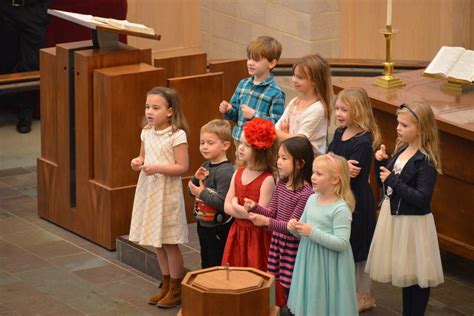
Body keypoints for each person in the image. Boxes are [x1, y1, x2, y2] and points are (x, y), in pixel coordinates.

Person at [366, 101, 444, 316]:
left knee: (418, 275)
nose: (398, 128)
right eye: (398, 123)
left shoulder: (425, 161)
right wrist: (379, 163)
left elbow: (422, 198)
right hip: (396, 218)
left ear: (420, 129)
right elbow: (385, 185)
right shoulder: (401, 150)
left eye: (404, 125)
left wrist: (393, 180)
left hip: (414, 223)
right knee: (406, 272)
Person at [128, 87, 189, 309]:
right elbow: (142, 156)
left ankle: (176, 287)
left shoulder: (176, 135)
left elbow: (182, 166)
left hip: (167, 192)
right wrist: (137, 162)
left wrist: (159, 167)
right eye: (147, 107)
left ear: (170, 111)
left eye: (156, 108)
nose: (150, 112)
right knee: (157, 242)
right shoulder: (147, 131)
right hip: (149, 190)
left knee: (169, 242)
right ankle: (164, 283)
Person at [328, 87, 382, 311]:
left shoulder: (363, 140)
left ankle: (363, 295)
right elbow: (328, 157)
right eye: (337, 108)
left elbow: (352, 174)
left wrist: (333, 163)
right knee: (345, 244)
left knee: (358, 249)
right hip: (341, 198)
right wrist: (337, 163)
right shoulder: (340, 133)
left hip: (357, 201)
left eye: (344, 109)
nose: (338, 114)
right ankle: (345, 290)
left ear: (358, 111)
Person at [244, 137, 314, 306]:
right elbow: (273, 212)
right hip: (278, 243)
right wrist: (255, 207)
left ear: (299, 163)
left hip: (292, 247)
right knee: (282, 283)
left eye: (284, 158)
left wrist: (266, 221)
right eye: (278, 157)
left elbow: (292, 227)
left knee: (293, 287)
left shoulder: (305, 193)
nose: (279, 162)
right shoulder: (281, 185)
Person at [287, 154, 358, 316]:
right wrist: (294, 227)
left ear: (335, 180)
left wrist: (312, 232)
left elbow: (341, 243)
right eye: (313, 172)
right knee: (312, 296)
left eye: (319, 174)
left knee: (326, 302)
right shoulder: (312, 199)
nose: (313, 177)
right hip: (310, 259)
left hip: (329, 264)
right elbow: (303, 230)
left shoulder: (340, 209)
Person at [221, 117, 277, 271]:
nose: (240, 148)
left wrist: (235, 205)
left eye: (247, 145)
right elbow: (226, 207)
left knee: (255, 271)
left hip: (257, 238)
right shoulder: (238, 172)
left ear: (260, 150)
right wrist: (238, 209)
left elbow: (258, 217)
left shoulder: (267, 180)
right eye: (240, 143)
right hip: (237, 234)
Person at [219, 35, 285, 147]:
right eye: (249, 58)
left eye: (256, 60)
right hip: (238, 140)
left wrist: (255, 115)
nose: (250, 63)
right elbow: (236, 116)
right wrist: (228, 110)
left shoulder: (276, 93)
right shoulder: (243, 84)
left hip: (258, 147)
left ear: (272, 63)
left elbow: (276, 125)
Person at [188, 119, 235, 269]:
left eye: (210, 143)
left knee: (216, 262)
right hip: (203, 224)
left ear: (225, 145)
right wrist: (196, 179)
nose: (204, 147)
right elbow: (191, 192)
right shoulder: (205, 165)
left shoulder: (226, 172)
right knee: (205, 260)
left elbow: (222, 203)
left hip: (218, 227)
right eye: (202, 143)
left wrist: (201, 193)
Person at [0, 0, 53, 133]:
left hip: (33, 10)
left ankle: (25, 112)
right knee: (5, 58)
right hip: (6, 9)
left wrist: (43, 9)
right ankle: (8, 106)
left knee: (32, 63)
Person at [275, 54, 333, 155]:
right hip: (291, 157)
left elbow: (299, 142)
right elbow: (276, 129)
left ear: (315, 81)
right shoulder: (295, 102)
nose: (294, 80)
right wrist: (287, 136)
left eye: (300, 77)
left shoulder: (318, 108)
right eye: (294, 75)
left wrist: (285, 135)